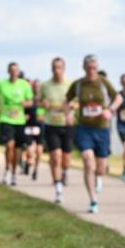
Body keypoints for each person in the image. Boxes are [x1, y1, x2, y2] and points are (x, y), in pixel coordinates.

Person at [66, 54, 122, 213]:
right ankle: (93, 200)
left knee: (101, 168)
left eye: (94, 68)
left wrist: (110, 110)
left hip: (102, 129)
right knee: (88, 161)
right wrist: (68, 114)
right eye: (89, 68)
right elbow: (66, 101)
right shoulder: (78, 84)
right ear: (84, 68)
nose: (92, 71)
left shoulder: (103, 82)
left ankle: (98, 177)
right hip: (84, 128)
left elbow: (118, 98)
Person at [39, 57, 75, 203]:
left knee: (66, 159)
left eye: (59, 67)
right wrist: (43, 103)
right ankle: (58, 189)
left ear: (64, 68)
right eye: (54, 67)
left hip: (67, 124)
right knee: (55, 156)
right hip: (51, 124)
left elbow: (78, 103)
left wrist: (70, 109)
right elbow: (39, 101)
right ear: (51, 68)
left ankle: (65, 172)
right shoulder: (45, 85)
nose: (56, 70)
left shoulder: (71, 84)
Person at [0, 62, 34, 186]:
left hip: (19, 120)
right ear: (8, 71)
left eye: (16, 70)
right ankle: (7, 170)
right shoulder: (1, 84)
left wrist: (26, 104)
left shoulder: (24, 85)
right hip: (6, 118)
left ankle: (14, 173)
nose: (13, 72)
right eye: (11, 70)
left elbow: (30, 101)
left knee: (17, 148)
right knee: (9, 145)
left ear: (18, 72)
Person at [22, 79, 45, 181]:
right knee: (29, 149)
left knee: (39, 151)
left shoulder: (44, 100)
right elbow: (23, 112)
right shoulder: (28, 98)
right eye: (35, 86)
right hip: (29, 127)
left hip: (41, 127)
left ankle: (36, 169)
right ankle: (29, 161)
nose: (36, 88)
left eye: (38, 86)